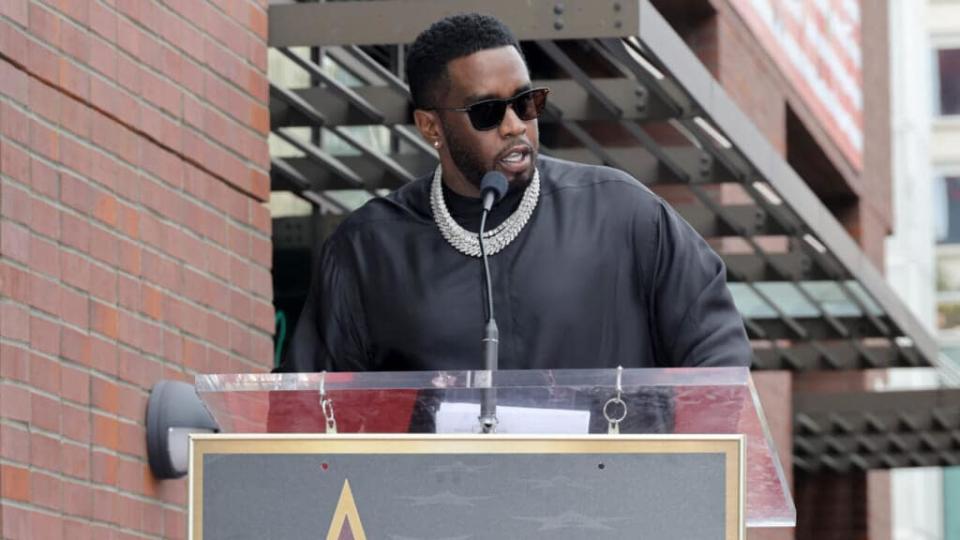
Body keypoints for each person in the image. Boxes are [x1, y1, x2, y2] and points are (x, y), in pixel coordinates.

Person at [279, 13, 751, 373]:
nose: (515, 125)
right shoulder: (369, 248)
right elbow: (312, 406)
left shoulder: (620, 213)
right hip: (436, 500)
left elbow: (716, 350)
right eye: (487, 111)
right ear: (430, 126)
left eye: (526, 102)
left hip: (609, 497)